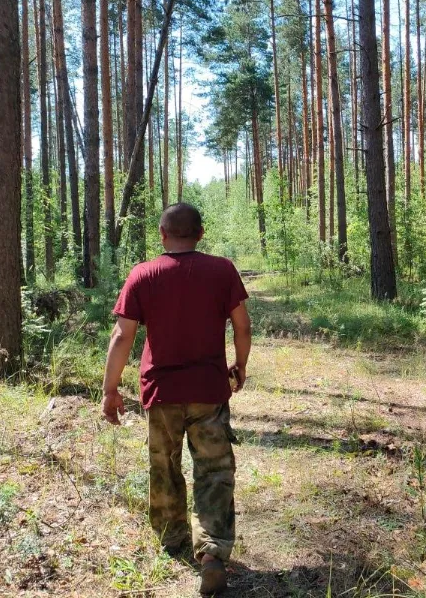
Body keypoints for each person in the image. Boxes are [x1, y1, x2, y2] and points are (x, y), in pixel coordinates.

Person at [101, 203, 251, 597]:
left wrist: (110, 389)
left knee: (164, 466)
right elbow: (242, 326)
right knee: (214, 469)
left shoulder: (143, 274)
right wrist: (240, 365)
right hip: (208, 392)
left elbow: (122, 337)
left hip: (161, 392)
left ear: (162, 234)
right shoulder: (222, 270)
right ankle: (213, 552)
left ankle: (172, 538)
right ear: (200, 233)